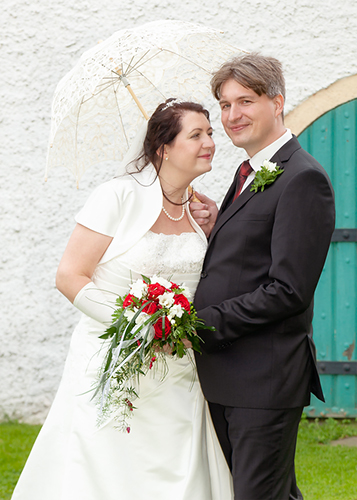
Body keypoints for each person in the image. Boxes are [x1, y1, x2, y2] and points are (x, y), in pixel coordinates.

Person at [11, 99, 233, 500]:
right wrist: (139, 326)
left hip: (179, 367)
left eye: (211, 133)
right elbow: (69, 276)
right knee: (107, 469)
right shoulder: (116, 196)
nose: (210, 143)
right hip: (113, 357)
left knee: (180, 467)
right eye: (197, 134)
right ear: (164, 147)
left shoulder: (201, 210)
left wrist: (216, 226)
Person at [190, 53, 335, 499]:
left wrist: (202, 325)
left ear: (277, 102)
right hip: (230, 374)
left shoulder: (303, 179)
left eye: (245, 101)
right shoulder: (247, 171)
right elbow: (253, 255)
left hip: (264, 378)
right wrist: (220, 226)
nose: (232, 116)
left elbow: (287, 290)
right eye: (225, 104)